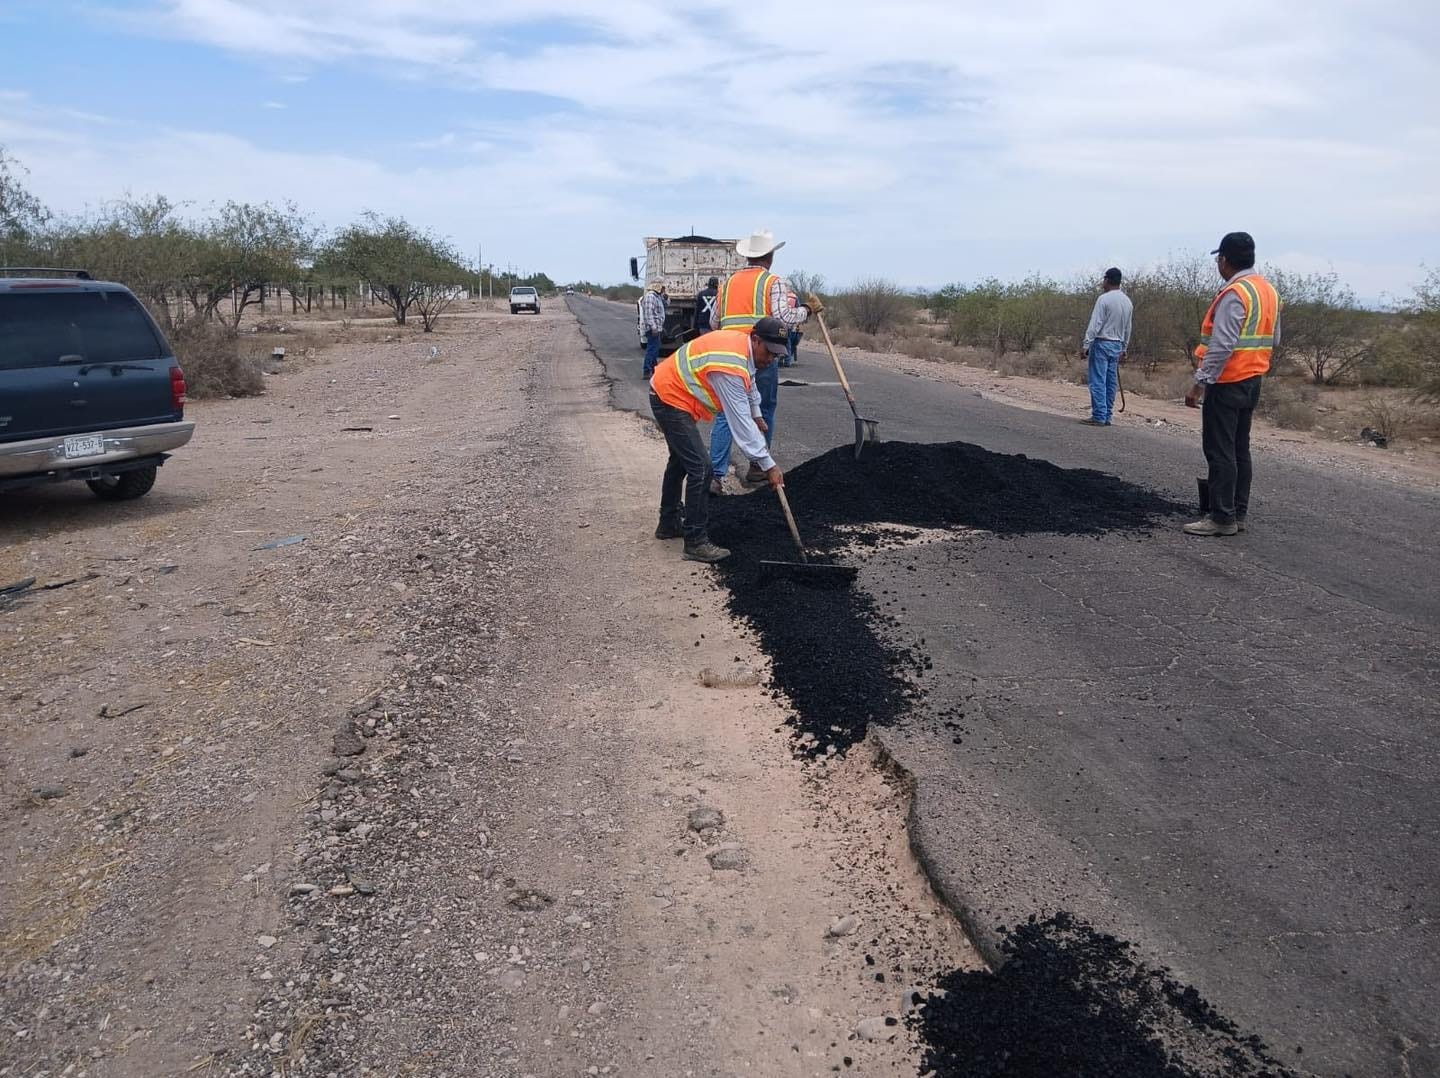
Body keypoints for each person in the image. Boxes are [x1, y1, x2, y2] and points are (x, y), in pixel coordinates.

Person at [649, 317, 790, 562]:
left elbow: (751, 382)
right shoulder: (729, 365)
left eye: (777, 355)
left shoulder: (744, 349)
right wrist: (769, 465)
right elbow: (741, 425)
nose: (771, 359)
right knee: (702, 468)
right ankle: (695, 541)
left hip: (674, 393)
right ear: (756, 340)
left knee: (680, 461)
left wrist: (757, 412)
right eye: (769, 352)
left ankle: (668, 523)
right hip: (669, 396)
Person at [1183, 232, 1282, 537]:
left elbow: (1222, 345)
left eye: (1218, 259)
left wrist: (1200, 383)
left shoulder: (1235, 293)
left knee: (1219, 449)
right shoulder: (1268, 291)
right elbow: (1275, 339)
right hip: (1253, 381)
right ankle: (1237, 513)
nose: (1218, 263)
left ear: (1224, 260)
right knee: (1240, 449)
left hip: (1227, 382)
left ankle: (1221, 517)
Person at [708, 229, 820, 492]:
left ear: (748, 257)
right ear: (769, 256)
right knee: (764, 409)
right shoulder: (772, 282)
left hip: (727, 356)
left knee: (726, 413)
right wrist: (807, 310)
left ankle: (716, 475)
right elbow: (784, 317)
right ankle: (758, 468)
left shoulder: (727, 284)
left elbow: (714, 321)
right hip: (760, 353)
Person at [1078, 267, 1133, 426]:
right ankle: (1107, 415)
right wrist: (1124, 347)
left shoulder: (1104, 299)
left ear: (1107, 280)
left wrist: (1086, 344)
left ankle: (1099, 415)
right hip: (1117, 345)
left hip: (1102, 342)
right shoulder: (1127, 301)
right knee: (1111, 382)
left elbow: (1095, 324)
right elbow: (1128, 327)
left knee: (1097, 381)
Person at [640, 280, 667, 379]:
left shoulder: (657, 296)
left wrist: (666, 299)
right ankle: (647, 371)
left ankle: (654, 370)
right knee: (651, 350)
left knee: (655, 350)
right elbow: (648, 314)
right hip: (653, 329)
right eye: (663, 288)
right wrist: (653, 327)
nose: (664, 289)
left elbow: (665, 306)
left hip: (657, 328)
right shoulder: (650, 297)